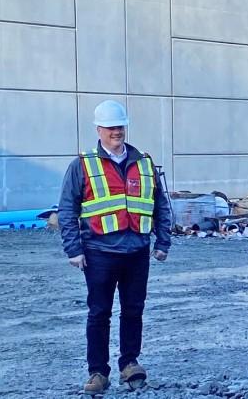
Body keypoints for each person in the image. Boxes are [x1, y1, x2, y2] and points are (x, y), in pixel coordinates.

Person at [58, 100, 172, 396]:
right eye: (110, 128)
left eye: (119, 127)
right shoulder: (82, 165)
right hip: (98, 253)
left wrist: (162, 241)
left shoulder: (143, 162)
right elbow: (67, 209)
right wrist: (74, 249)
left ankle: (129, 363)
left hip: (136, 252)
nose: (116, 132)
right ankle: (98, 371)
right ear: (99, 129)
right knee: (99, 312)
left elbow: (160, 204)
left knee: (134, 310)